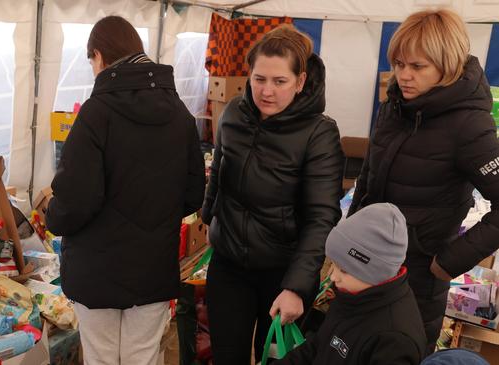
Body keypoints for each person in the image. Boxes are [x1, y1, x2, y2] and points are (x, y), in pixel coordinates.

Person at [45, 15, 206, 365]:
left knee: (102, 357)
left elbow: (74, 201)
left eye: (91, 62)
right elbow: (195, 192)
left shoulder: (96, 113)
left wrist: (51, 217)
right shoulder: (179, 112)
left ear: (99, 56)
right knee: (142, 356)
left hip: (96, 269)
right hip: (152, 266)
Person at [348, 8, 499, 352]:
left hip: (417, 279)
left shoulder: (469, 126)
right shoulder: (395, 107)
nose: (403, 75)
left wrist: (450, 261)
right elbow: (369, 177)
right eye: (399, 64)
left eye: (417, 67)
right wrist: (350, 237)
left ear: (446, 66)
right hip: (367, 266)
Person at [201, 24, 344, 364]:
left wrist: (296, 287)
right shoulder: (234, 112)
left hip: (282, 271)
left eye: (280, 81)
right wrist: (209, 218)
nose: (267, 91)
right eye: (259, 79)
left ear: (301, 81)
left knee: (276, 358)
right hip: (229, 265)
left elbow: (322, 217)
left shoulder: (319, 133)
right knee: (225, 355)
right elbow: (218, 171)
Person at [274, 203, 427, 365]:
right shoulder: (352, 292)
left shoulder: (395, 341)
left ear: (375, 273)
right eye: (332, 264)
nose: (333, 277)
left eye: (344, 270)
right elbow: (318, 345)